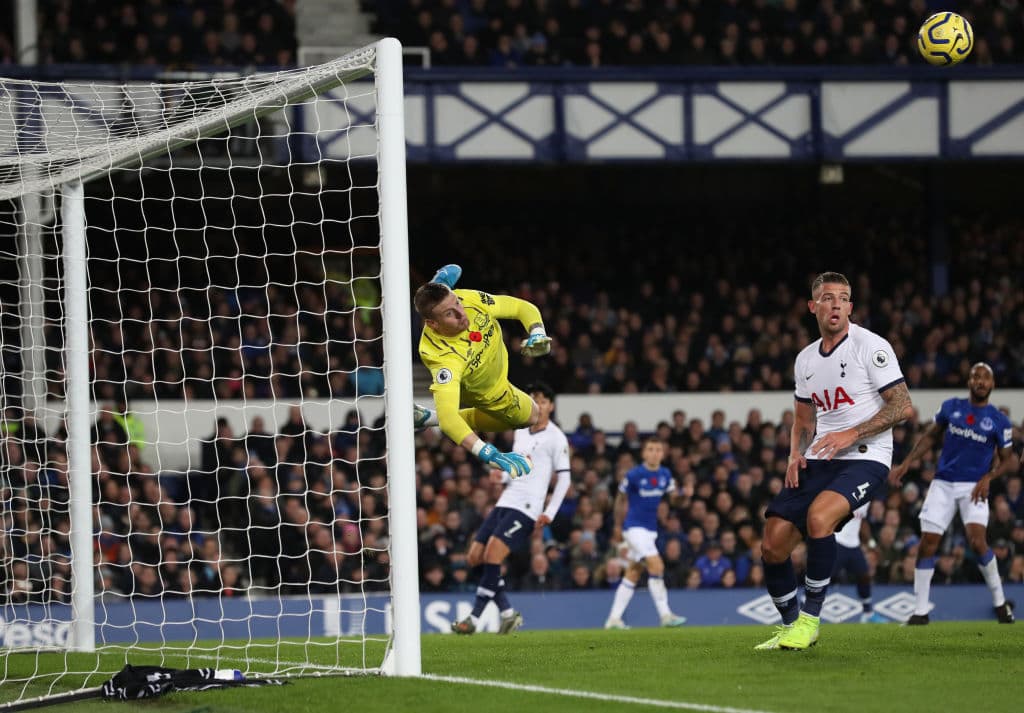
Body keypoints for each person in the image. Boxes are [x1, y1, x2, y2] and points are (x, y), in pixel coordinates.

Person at [756, 271, 913, 650]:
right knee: (772, 544)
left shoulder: (870, 346)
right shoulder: (806, 359)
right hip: (820, 457)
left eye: (843, 297)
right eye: (828, 297)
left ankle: (810, 620)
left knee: (819, 518)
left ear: (851, 307)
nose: (836, 304)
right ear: (813, 307)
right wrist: (795, 454)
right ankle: (791, 627)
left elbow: (903, 406)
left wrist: (852, 433)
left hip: (867, 455)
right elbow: (804, 420)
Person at [889, 362, 1015, 624]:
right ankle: (921, 611)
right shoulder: (951, 407)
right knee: (928, 544)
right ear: (969, 382)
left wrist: (989, 477)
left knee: (978, 541)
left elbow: (1008, 461)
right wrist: (906, 463)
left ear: (992, 385)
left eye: (985, 378)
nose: (980, 381)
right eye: (975, 377)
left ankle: (1000, 603)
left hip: (973, 486)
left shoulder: (999, 421)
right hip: (943, 483)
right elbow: (930, 437)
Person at [451, 382, 571, 634]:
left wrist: (549, 511)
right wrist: (502, 477)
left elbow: (565, 478)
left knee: (493, 556)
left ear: (551, 406)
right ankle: (507, 612)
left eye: (544, 400)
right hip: (507, 500)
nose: (538, 404)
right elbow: (517, 467)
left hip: (528, 506)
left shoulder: (556, 437)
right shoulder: (521, 431)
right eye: (534, 399)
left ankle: (473, 619)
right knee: (474, 556)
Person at [413, 264, 551, 478]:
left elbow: (519, 307)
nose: (462, 314)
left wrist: (537, 332)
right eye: (450, 313)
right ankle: (431, 417)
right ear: (432, 324)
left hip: (497, 365)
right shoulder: (443, 358)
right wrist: (491, 454)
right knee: (532, 415)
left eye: (456, 302)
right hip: (491, 393)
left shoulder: (468, 300)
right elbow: (449, 421)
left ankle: (438, 285)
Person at [604, 437, 689, 629]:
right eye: (650, 449)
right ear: (644, 453)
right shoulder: (635, 474)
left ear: (662, 453)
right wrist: (617, 526)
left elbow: (675, 501)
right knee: (656, 565)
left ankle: (613, 619)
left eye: (658, 449)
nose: (654, 453)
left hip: (650, 530)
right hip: (634, 529)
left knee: (633, 572)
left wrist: (685, 495)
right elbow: (620, 499)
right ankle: (666, 615)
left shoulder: (665, 474)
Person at [833, 502, 887, 623]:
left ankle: (867, 613)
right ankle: (803, 612)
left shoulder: (867, 498)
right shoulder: (843, 487)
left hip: (854, 544)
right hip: (837, 541)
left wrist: (871, 544)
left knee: (864, 576)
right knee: (822, 578)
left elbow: (862, 522)